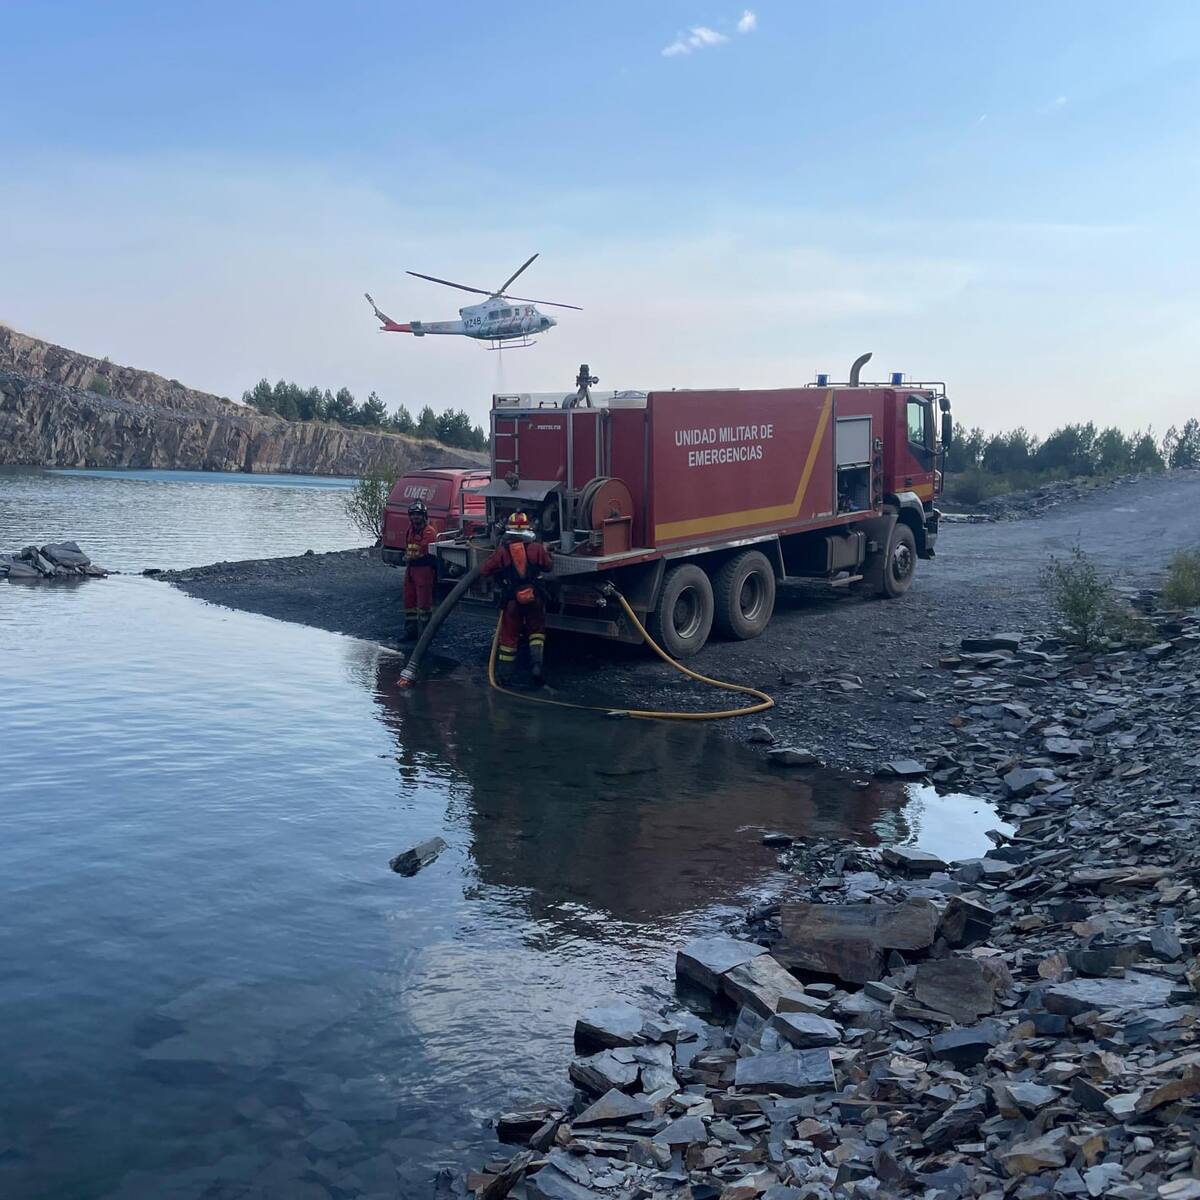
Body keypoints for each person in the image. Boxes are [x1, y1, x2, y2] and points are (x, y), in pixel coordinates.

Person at [480, 511, 554, 684]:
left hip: (513, 601)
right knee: (536, 632)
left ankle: (505, 676)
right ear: (528, 528)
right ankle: (536, 666)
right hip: (534, 598)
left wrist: (500, 576)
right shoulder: (536, 548)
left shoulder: (503, 551)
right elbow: (548, 567)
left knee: (509, 638)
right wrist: (546, 552)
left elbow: (484, 570)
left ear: (510, 530)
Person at [401, 499, 438, 642]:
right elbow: (408, 547)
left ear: (424, 516)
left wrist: (408, 557)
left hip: (424, 570)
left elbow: (422, 550)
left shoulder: (429, 532)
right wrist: (407, 558)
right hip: (411, 570)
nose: (415, 517)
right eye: (413, 514)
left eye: (418, 514)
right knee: (409, 602)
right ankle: (410, 632)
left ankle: (425, 635)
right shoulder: (410, 530)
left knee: (424, 604)